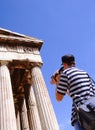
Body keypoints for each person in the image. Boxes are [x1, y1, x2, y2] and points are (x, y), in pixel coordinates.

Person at [50, 54, 95, 130]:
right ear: (74, 63)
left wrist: (58, 82)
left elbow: (59, 98)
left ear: (64, 64)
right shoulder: (84, 72)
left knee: (76, 122)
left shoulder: (66, 73)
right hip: (93, 107)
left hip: (83, 114)